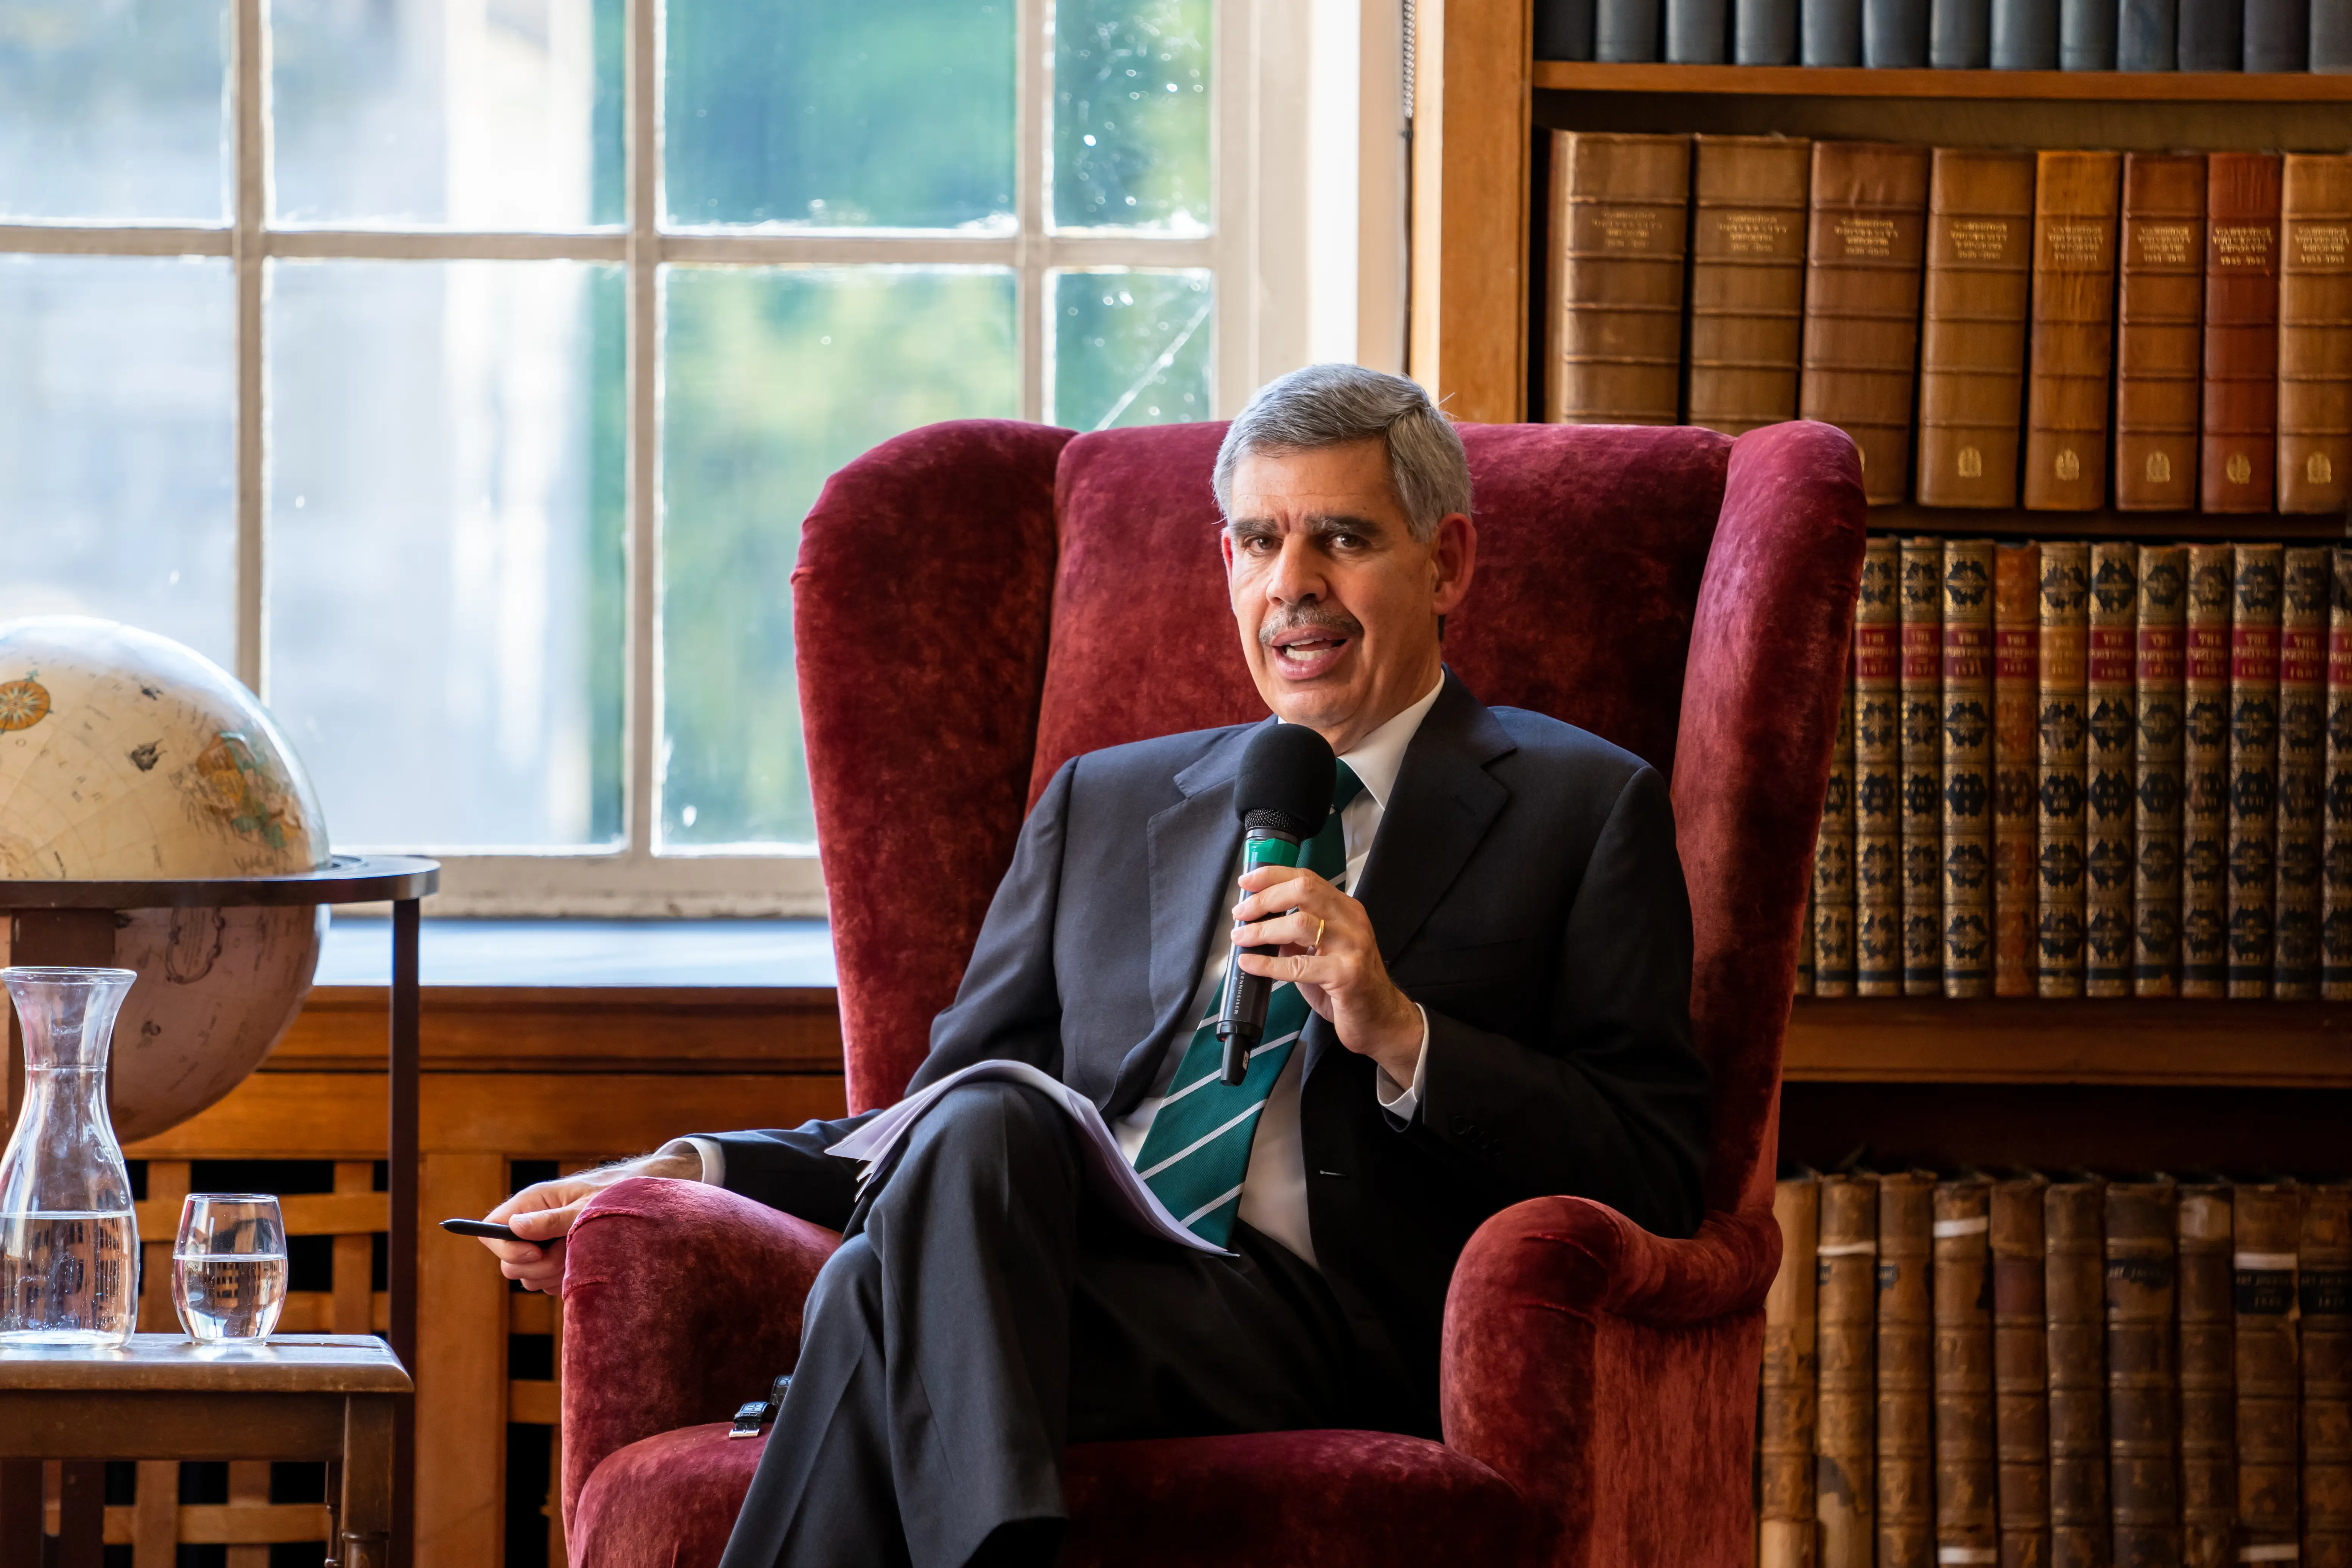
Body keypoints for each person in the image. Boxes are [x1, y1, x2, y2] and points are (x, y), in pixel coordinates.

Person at [476, 363, 1712, 1568]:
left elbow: (1655, 1166)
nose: (1294, 586)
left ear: (1445, 562)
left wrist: (1397, 1028)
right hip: (1080, 1279)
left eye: (1341, 538)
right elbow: (934, 1118)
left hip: (1334, 1318)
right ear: (1223, 561)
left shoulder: (1580, 806)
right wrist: (692, 1170)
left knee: (875, 1288)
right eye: (1258, 540)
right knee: (975, 1136)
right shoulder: (1109, 802)